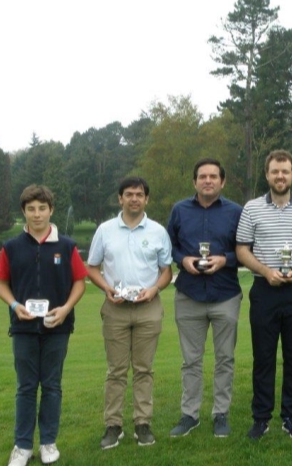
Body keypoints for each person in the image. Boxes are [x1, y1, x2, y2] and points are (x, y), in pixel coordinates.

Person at [236, 149, 292, 440]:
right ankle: (261, 418)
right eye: (275, 171)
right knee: (263, 356)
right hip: (265, 290)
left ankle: (290, 417)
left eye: (285, 171)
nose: (280, 176)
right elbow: (241, 249)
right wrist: (265, 271)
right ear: (267, 174)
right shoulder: (251, 208)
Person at [0, 185, 87, 466]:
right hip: (23, 328)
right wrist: (14, 305)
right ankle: (22, 446)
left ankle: (48, 442)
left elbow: (80, 283)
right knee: (25, 387)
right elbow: (1, 284)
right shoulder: (11, 247)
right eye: (31, 209)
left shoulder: (66, 246)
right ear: (23, 211)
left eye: (42, 208)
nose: (37, 214)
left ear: (51, 210)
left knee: (51, 386)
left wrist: (66, 309)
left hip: (57, 327)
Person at [87, 176, 173, 448]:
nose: (134, 198)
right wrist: (107, 289)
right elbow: (91, 267)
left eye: (139, 194)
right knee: (116, 371)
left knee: (144, 369)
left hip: (148, 308)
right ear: (120, 199)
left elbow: (167, 271)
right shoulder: (105, 230)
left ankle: (142, 424)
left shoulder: (158, 231)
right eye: (129, 194)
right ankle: (113, 426)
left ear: (146, 199)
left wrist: (155, 289)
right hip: (116, 309)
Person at [166, 158, 243, 438]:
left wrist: (226, 259)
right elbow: (169, 246)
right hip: (189, 294)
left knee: (225, 358)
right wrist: (183, 259)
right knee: (191, 360)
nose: (207, 180)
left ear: (222, 181)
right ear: (194, 182)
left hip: (225, 294)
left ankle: (221, 413)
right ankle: (190, 414)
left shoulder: (236, 212)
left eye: (213, 176)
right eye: (202, 176)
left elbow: (247, 248)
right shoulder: (180, 210)